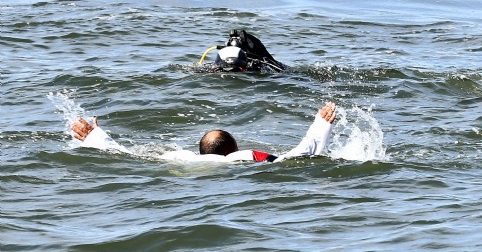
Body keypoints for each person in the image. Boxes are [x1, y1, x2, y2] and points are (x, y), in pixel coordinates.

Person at [72, 102, 337, 163]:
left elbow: (125, 155)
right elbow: (297, 157)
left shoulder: (181, 158)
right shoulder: (244, 159)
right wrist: (321, 124)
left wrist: (97, 137)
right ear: (232, 149)